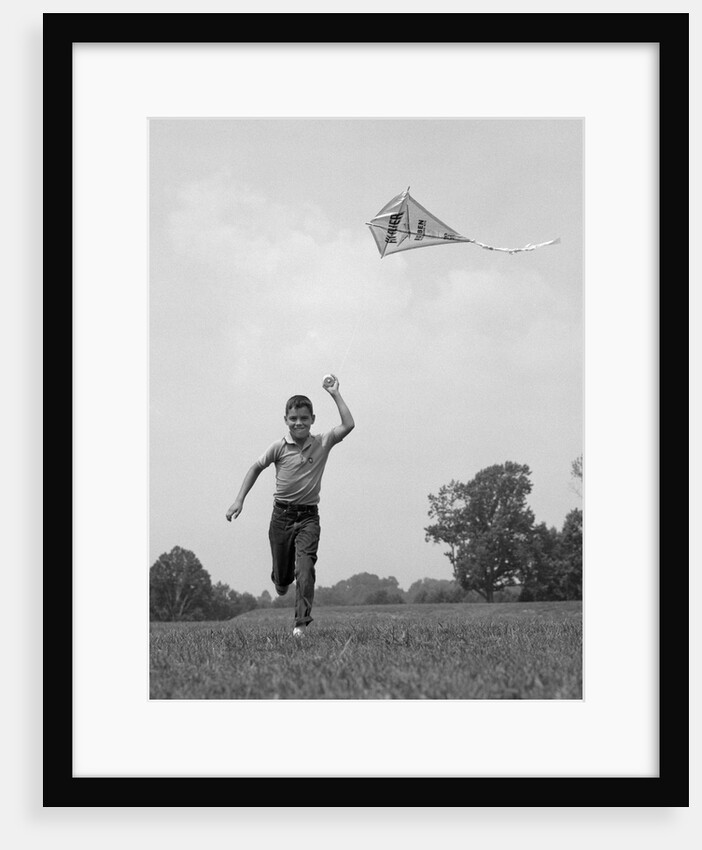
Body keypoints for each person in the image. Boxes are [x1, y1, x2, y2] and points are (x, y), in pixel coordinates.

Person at [226, 375, 355, 637]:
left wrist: (335, 394)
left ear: (312, 420)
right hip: (281, 517)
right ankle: (280, 580)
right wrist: (239, 499)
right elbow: (255, 468)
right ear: (286, 419)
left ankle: (300, 624)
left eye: (304, 418)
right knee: (283, 579)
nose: (299, 423)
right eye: (293, 418)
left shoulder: (322, 442)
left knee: (305, 568)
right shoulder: (279, 447)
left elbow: (349, 424)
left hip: (308, 517)